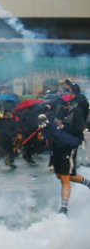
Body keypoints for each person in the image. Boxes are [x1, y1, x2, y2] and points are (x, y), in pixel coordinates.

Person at [37, 80, 90, 214]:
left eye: (67, 89)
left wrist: (61, 126)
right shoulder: (60, 101)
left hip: (68, 143)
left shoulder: (78, 109)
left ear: (73, 95)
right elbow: (48, 106)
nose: (64, 91)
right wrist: (43, 114)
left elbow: (78, 130)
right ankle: (88, 183)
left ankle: (64, 208)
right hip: (57, 142)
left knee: (65, 177)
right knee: (61, 175)